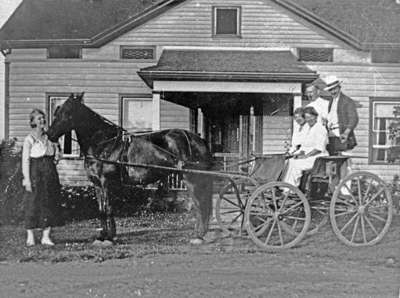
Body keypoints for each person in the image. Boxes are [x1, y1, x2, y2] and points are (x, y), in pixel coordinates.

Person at [22, 108, 62, 246]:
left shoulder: (50, 137)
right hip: (35, 171)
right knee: (32, 202)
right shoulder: (29, 139)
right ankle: (30, 236)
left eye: (43, 118)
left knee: (49, 202)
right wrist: (27, 179)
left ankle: (46, 236)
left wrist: (57, 153)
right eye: (39, 118)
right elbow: (25, 160)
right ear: (33, 122)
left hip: (49, 171)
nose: (42, 121)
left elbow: (57, 156)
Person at [283, 106, 328, 187]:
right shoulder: (308, 129)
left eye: (311, 117)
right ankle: (285, 187)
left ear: (316, 116)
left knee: (296, 165)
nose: (309, 119)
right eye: (307, 117)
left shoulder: (320, 129)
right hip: (309, 156)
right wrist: (299, 154)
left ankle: (292, 188)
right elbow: (304, 146)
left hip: (318, 158)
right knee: (290, 162)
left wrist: (306, 156)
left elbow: (319, 148)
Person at [324, 75, 359, 155]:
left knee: (342, 161)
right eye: (330, 90)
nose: (333, 92)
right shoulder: (331, 101)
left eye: (334, 89)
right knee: (332, 160)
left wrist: (346, 133)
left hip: (342, 136)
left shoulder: (347, 101)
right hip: (331, 136)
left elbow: (354, 119)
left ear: (339, 87)